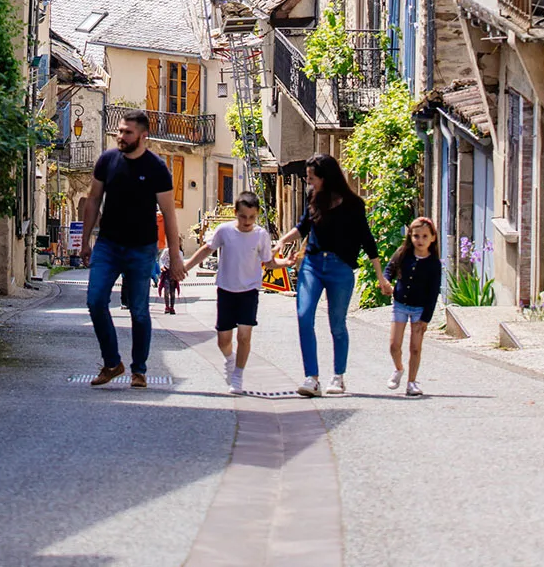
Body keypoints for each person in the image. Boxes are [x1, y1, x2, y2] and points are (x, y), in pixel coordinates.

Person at [275, 153, 393, 397]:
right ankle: (312, 378)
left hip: (340, 269)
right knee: (304, 315)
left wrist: (381, 276)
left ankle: (338, 377)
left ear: (325, 177)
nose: (309, 182)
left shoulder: (353, 205)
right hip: (313, 265)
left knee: (337, 325)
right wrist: (282, 242)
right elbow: (303, 227)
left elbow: (367, 241)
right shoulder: (313, 198)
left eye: (311, 178)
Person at [82, 111, 185, 387]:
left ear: (143, 136)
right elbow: (93, 200)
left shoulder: (156, 168)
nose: (121, 136)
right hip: (108, 244)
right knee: (95, 301)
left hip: (142, 248)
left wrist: (174, 256)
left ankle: (139, 369)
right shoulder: (107, 161)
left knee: (139, 310)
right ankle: (112, 363)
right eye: (119, 131)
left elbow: (168, 213)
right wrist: (85, 240)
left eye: (127, 132)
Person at [186, 191, 277, 394]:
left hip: (249, 291)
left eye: (252, 217)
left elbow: (268, 262)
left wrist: (285, 263)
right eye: (243, 216)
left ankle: (238, 375)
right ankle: (230, 360)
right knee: (223, 340)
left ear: (257, 215)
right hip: (226, 289)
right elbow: (206, 249)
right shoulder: (224, 231)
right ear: (236, 213)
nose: (247, 221)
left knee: (244, 336)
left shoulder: (261, 235)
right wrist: (187, 266)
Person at [385, 216, 442, 398]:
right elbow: (389, 269)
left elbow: (433, 293)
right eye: (416, 236)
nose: (420, 240)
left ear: (432, 238)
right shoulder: (403, 253)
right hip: (400, 304)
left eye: (425, 236)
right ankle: (399, 368)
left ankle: (411, 382)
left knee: (415, 348)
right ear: (410, 236)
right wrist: (386, 282)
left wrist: (426, 318)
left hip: (419, 309)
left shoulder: (433, 264)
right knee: (394, 345)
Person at [158, 244, 181, 314]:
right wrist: (162, 266)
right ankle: (167, 306)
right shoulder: (166, 251)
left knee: (172, 291)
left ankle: (172, 307)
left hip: (174, 273)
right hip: (166, 272)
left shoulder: (179, 252)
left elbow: (181, 262)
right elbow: (161, 259)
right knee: (166, 290)